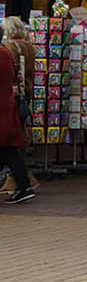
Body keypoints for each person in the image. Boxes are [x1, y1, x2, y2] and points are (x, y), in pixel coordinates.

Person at [0, 17, 35, 196]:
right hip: (18, 98)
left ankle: (21, 183)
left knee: (10, 148)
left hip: (8, 101)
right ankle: (22, 183)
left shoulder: (10, 49)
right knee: (11, 148)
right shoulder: (26, 47)